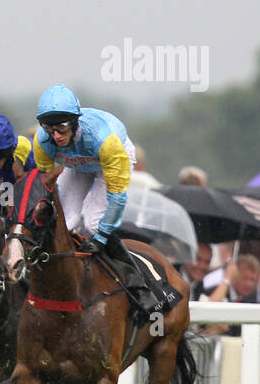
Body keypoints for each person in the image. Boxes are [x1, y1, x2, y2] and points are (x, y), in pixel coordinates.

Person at [32, 83, 166, 320]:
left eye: (62, 128)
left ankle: (140, 288)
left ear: (75, 122)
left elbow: (117, 198)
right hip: (77, 163)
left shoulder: (106, 141)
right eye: (49, 128)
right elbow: (41, 187)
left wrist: (102, 237)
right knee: (68, 222)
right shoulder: (42, 142)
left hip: (108, 161)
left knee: (93, 224)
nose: (56, 136)